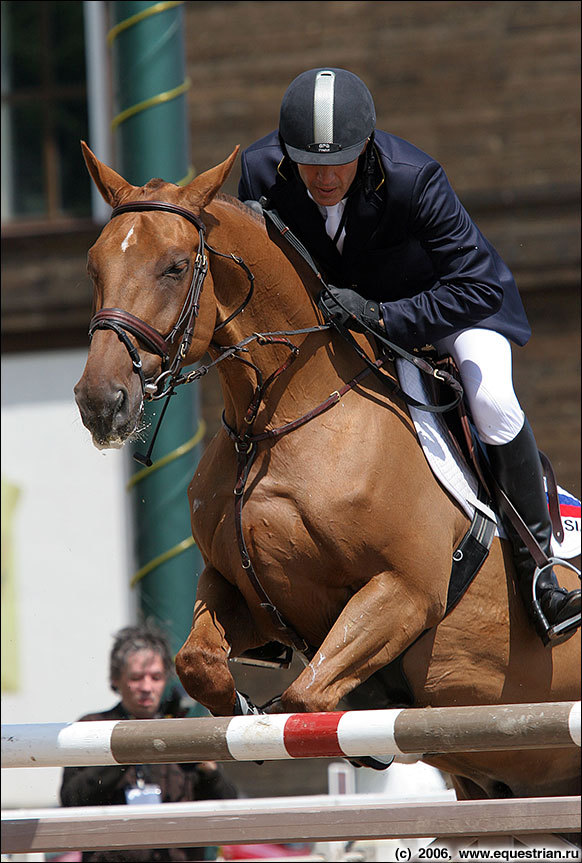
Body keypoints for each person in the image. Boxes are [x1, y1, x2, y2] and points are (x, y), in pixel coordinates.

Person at [238, 66, 580, 646]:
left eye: (339, 161)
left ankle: (540, 569)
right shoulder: (259, 173)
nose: (323, 177)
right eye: (308, 162)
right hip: (346, 324)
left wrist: (379, 316)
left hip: (452, 312)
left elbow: (477, 288)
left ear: (366, 146)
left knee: (493, 400)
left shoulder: (413, 178)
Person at [60, 623, 238, 862]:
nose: (146, 687)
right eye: (136, 677)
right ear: (115, 679)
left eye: (155, 677)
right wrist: (126, 752)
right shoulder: (90, 727)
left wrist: (207, 768)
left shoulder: (182, 728)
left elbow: (228, 808)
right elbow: (72, 800)